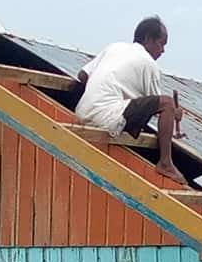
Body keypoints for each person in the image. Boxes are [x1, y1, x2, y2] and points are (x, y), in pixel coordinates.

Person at [75, 16, 187, 182]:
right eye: (161, 44)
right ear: (148, 39)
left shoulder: (114, 47)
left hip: (81, 111)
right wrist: (175, 114)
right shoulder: (148, 64)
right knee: (168, 103)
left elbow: (82, 75)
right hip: (108, 118)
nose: (162, 50)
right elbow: (159, 107)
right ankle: (165, 163)